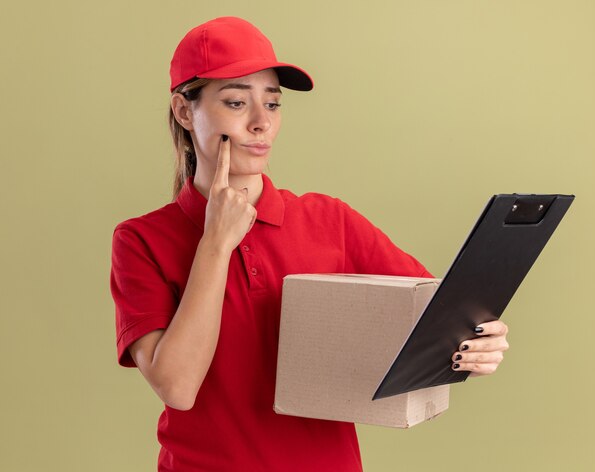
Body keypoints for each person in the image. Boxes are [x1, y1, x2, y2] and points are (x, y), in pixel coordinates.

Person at [110, 16, 509, 472]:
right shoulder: (140, 240)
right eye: (237, 102)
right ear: (185, 111)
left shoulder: (329, 220)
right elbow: (177, 388)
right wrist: (215, 244)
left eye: (274, 104)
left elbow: (439, 312)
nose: (262, 123)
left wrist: (480, 340)